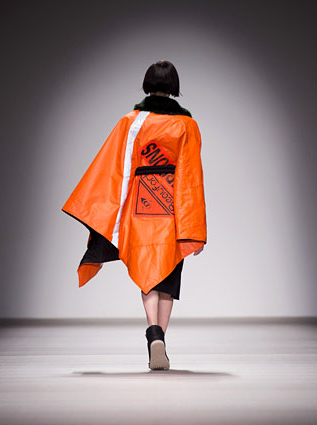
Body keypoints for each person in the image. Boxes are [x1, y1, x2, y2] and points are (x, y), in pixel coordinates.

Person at [62, 61, 207, 370]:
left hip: (141, 210)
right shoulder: (187, 125)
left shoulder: (130, 122)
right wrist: (193, 227)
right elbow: (191, 177)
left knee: (147, 270)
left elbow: (112, 169)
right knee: (167, 275)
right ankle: (160, 338)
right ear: (174, 86)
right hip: (171, 209)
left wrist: (107, 213)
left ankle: (153, 333)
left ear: (147, 84)